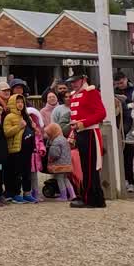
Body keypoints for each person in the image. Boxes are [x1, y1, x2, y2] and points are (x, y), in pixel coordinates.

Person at [67, 72, 107, 208]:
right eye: (72, 81)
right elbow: (74, 118)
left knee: (91, 167)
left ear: (84, 79)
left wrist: (83, 123)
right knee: (85, 167)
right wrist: (73, 133)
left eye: (76, 81)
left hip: (90, 132)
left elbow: (101, 113)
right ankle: (89, 196)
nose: (73, 84)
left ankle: (93, 198)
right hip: (80, 133)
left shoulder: (92, 92)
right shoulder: (74, 95)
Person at [45, 122, 75, 200]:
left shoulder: (56, 141)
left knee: (60, 180)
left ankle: (63, 196)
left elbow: (54, 154)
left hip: (59, 165)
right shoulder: (64, 139)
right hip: (67, 164)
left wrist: (50, 159)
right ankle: (72, 195)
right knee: (66, 179)